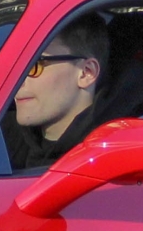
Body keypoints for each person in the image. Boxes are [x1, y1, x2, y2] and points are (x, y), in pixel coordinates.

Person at [6, 15, 109, 170]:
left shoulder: (107, 160)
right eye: (16, 65)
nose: (17, 80)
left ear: (86, 73)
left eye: (35, 65)